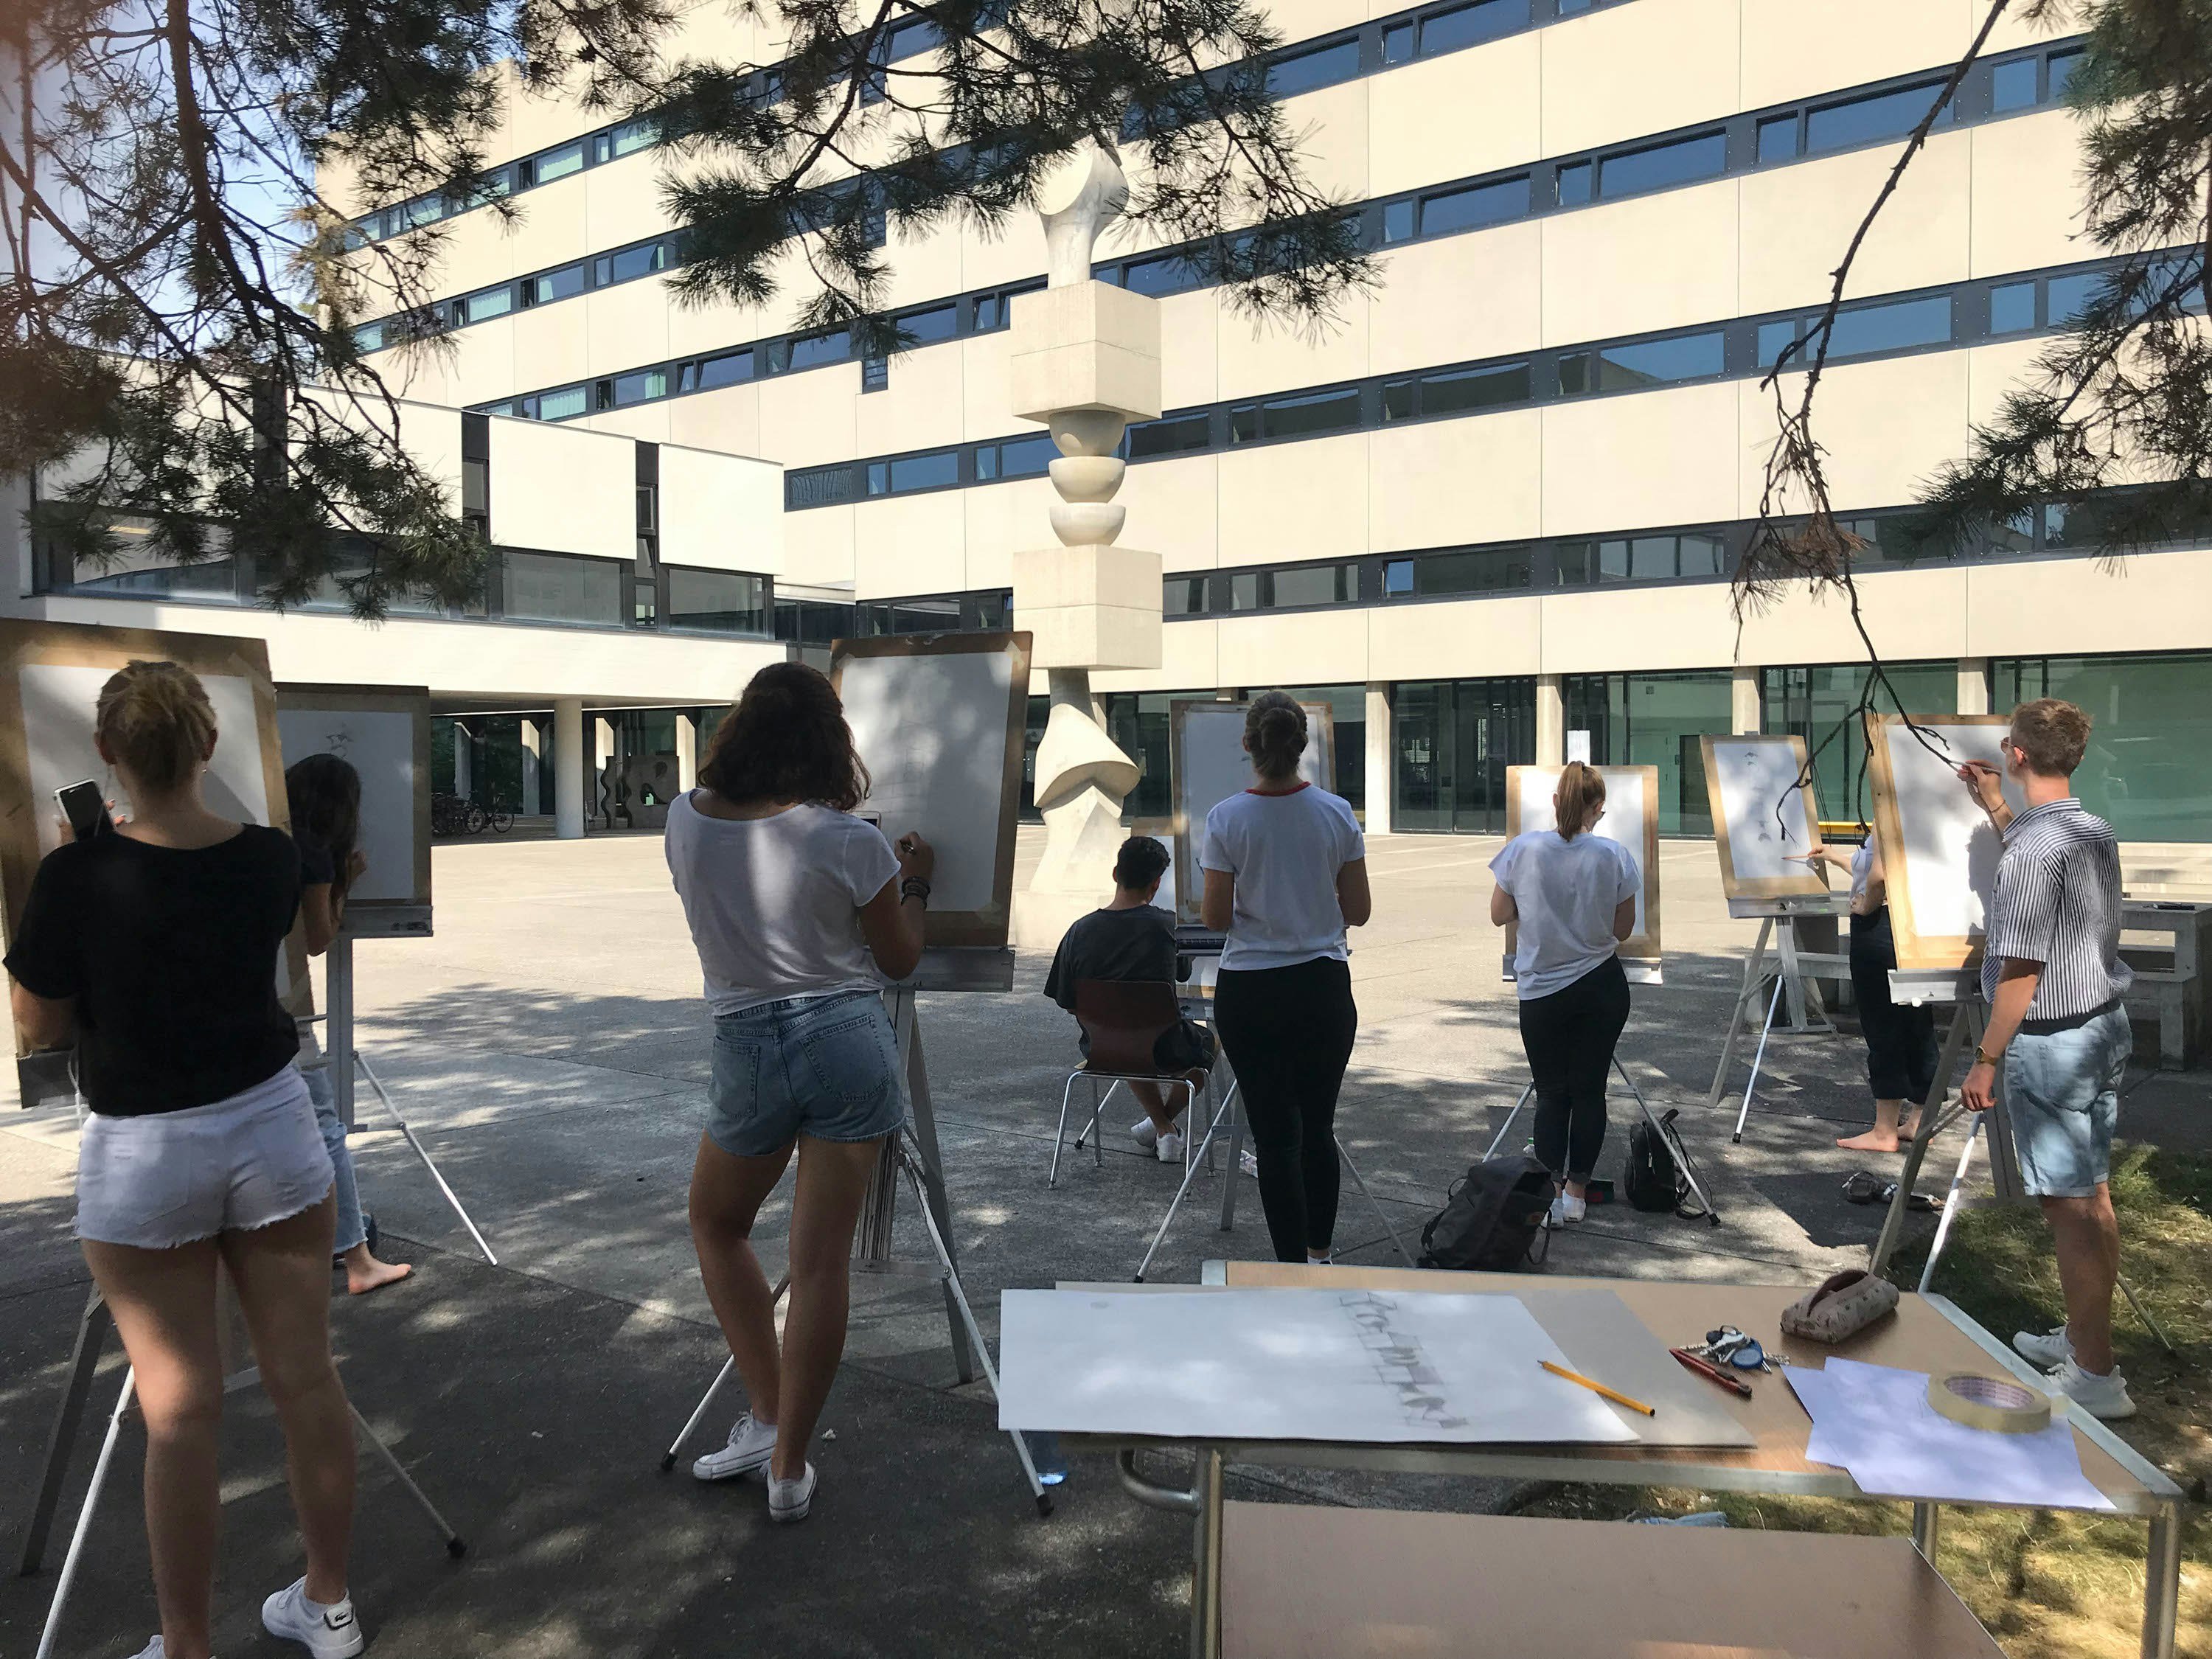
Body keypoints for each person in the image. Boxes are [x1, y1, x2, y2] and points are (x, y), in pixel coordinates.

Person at [4, 661, 363, 1659]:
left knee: (179, 1409)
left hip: (145, 1150)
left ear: (109, 754)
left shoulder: (78, 872)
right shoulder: (271, 854)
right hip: (272, 1126)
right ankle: (329, 1606)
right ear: (209, 745)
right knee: (307, 1380)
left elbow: (36, 1024)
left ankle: (186, 1644)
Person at [665, 661, 932, 1520]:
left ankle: (767, 1409)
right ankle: (787, 1466)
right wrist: (915, 882)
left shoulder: (684, 819)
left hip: (745, 1041)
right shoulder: (852, 842)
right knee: (819, 1267)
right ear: (828, 741)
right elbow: (899, 960)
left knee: (717, 1224)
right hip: (846, 1040)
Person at [1956, 698, 2136, 1419]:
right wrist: (1997, 806)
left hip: (2053, 1041)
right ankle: (2083, 1338)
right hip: (2101, 1028)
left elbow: (2022, 971)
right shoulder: (2087, 830)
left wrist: (1984, 1060)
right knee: (2092, 1196)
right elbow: (2041, 880)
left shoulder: (2035, 850)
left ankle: (2096, 1376)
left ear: (2019, 754)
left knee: (2067, 1208)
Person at [1199, 692, 1370, 1265]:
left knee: (1275, 1139)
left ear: (1248, 744)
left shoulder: (1226, 818)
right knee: (1318, 1129)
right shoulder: (1336, 813)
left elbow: (1217, 919)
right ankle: (1321, 1256)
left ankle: (1290, 1271)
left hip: (1251, 990)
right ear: (1303, 746)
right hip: (1322, 985)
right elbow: (1360, 909)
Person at [1487, 761, 1638, 1227]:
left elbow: (1498, 914)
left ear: (1555, 801)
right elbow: (1624, 929)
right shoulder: (1614, 855)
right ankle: (1576, 1191)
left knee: (1551, 1093)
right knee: (1590, 1090)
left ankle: (1549, 1192)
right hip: (1600, 984)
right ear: (1600, 808)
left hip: (1542, 989)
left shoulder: (1523, 849)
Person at [285, 754, 414, 1295]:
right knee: (326, 1130)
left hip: (248, 1006)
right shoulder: (312, 855)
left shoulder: (265, 837)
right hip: (282, 1011)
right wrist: (346, 883)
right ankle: (355, 1256)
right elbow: (319, 937)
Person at [1043, 834, 1218, 1161]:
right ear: (1156, 884)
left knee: (1127, 1039)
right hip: (1166, 1047)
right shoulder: (1168, 926)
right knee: (1209, 1043)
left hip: (1103, 1047)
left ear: (1115, 873)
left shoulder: (1078, 931)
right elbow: (1182, 974)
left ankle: (1161, 1128)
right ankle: (1164, 1125)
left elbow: (1067, 1001)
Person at [1802, 835, 1938, 1152]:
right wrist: (1836, 857)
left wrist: (1865, 905)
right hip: (1914, 926)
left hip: (1879, 927)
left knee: (1883, 1026)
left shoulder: (1888, 804)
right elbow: (1880, 869)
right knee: (1918, 1024)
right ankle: (1921, 1119)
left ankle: (1884, 1131)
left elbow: (1879, 875)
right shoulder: (1918, 808)